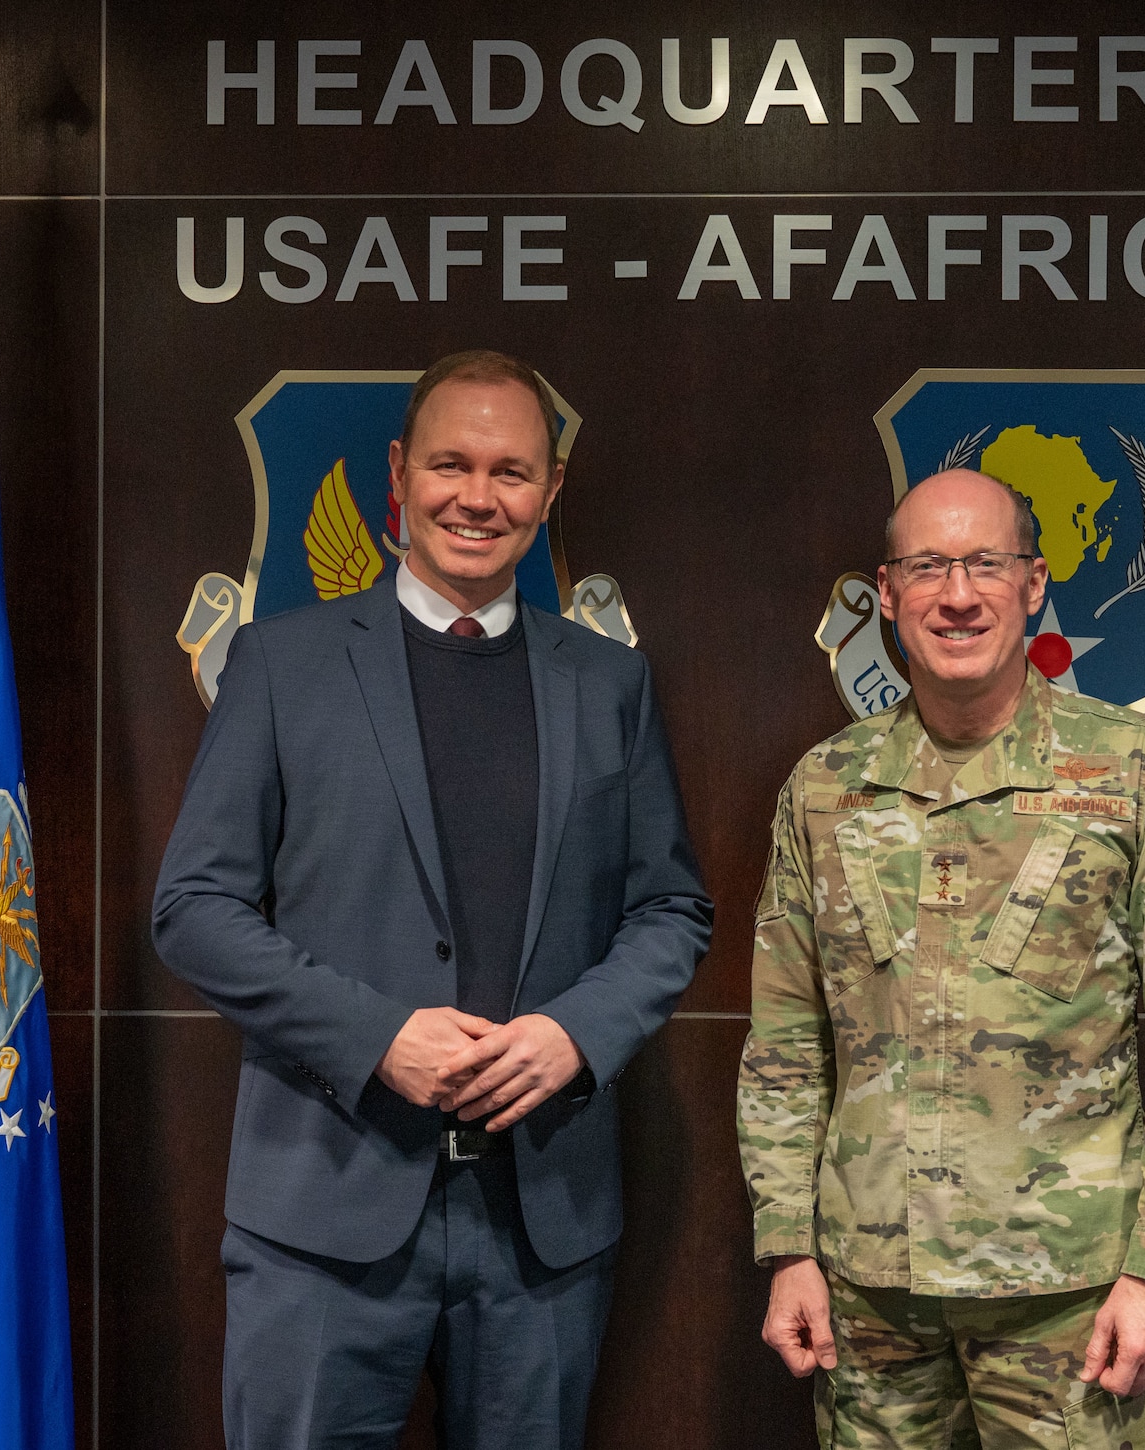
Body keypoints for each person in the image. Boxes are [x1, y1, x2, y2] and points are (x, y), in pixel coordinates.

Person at [153, 349, 712, 1450]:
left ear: (551, 494)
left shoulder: (609, 685)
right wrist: (377, 1038)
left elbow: (669, 910)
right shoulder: (281, 664)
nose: (478, 496)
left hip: (537, 1228)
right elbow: (195, 908)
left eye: (511, 471)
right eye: (451, 464)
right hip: (323, 1217)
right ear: (397, 476)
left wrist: (574, 1033)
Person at [738, 469, 1145, 1449]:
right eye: (926, 566)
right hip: (870, 1298)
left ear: (1032, 582)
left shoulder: (1133, 770)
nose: (956, 592)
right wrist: (786, 1249)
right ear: (886, 593)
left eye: (985, 562)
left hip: (1071, 1298)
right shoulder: (824, 788)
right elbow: (784, 1041)